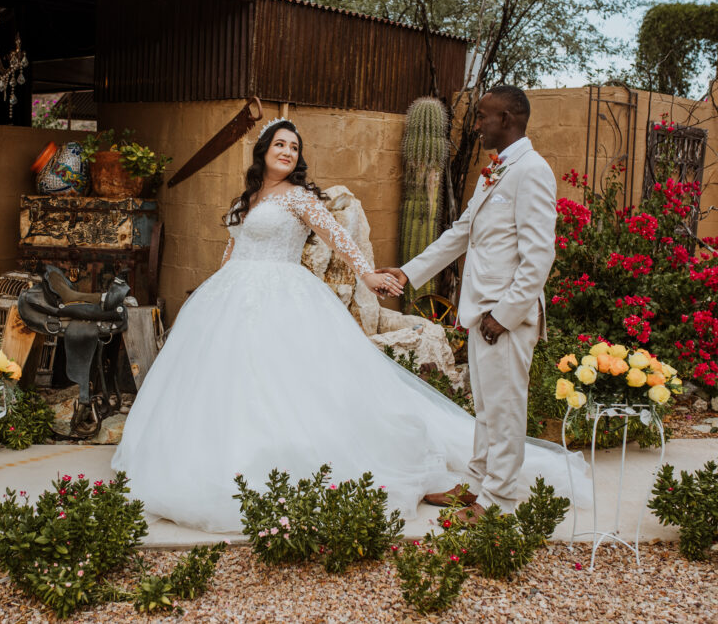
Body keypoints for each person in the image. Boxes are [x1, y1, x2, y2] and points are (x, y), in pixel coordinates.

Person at [111, 116, 587, 533]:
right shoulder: (249, 198)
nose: (286, 151)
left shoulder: (300, 198)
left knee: (286, 387)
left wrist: (373, 275)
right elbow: (232, 249)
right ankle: (208, 460)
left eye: (293, 147)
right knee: (223, 385)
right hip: (231, 295)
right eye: (279, 144)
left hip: (283, 295)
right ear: (263, 152)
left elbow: (338, 238)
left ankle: (493, 490)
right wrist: (213, 291)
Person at [377, 85, 557, 522]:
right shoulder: (496, 171)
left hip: (504, 317)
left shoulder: (532, 171)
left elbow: (539, 257)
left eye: (482, 117)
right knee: (485, 407)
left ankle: (498, 502)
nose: (476, 126)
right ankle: (476, 485)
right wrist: (408, 272)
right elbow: (461, 233)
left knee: (506, 409)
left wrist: (506, 315)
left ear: (507, 120)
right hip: (482, 312)